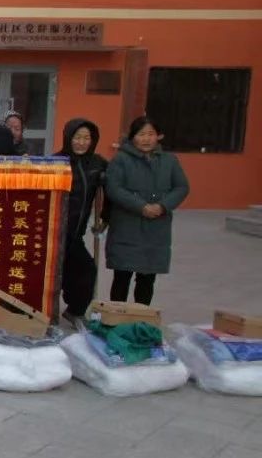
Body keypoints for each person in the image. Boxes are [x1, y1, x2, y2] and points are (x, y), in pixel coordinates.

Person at [104, 116, 189, 306]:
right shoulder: (121, 159)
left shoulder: (169, 161)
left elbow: (181, 187)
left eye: (151, 134)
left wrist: (162, 206)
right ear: (133, 137)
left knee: (147, 279)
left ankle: (141, 316)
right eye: (141, 134)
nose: (146, 139)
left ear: (158, 136)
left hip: (156, 229)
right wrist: (141, 206)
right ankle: (116, 316)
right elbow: (114, 188)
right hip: (127, 227)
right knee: (122, 276)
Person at [56, 118, 108, 326]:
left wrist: (105, 217)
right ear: (68, 138)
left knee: (86, 271)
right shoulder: (56, 162)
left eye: (87, 138)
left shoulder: (97, 164)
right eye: (77, 137)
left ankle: (75, 311)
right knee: (52, 276)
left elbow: (110, 192)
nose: (82, 142)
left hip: (76, 235)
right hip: (54, 233)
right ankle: (43, 314)